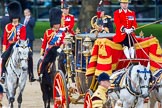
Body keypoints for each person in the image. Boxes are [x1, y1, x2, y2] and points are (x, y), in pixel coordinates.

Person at [1, 1, 35, 83]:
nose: (15, 19)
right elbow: (5, 39)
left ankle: (31, 74)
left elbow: (23, 38)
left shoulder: (22, 27)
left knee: (30, 56)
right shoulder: (7, 27)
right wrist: (4, 49)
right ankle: (3, 75)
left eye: (16, 17)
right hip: (10, 47)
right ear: (11, 17)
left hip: (19, 46)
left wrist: (18, 44)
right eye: (14, 17)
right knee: (4, 58)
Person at [39, 7, 65, 77]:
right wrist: (42, 54)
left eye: (58, 23)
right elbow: (44, 43)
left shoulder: (61, 32)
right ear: (53, 24)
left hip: (59, 49)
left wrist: (60, 48)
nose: (58, 25)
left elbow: (63, 41)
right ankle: (42, 74)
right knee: (45, 61)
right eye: (56, 24)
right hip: (50, 50)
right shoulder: (48, 32)